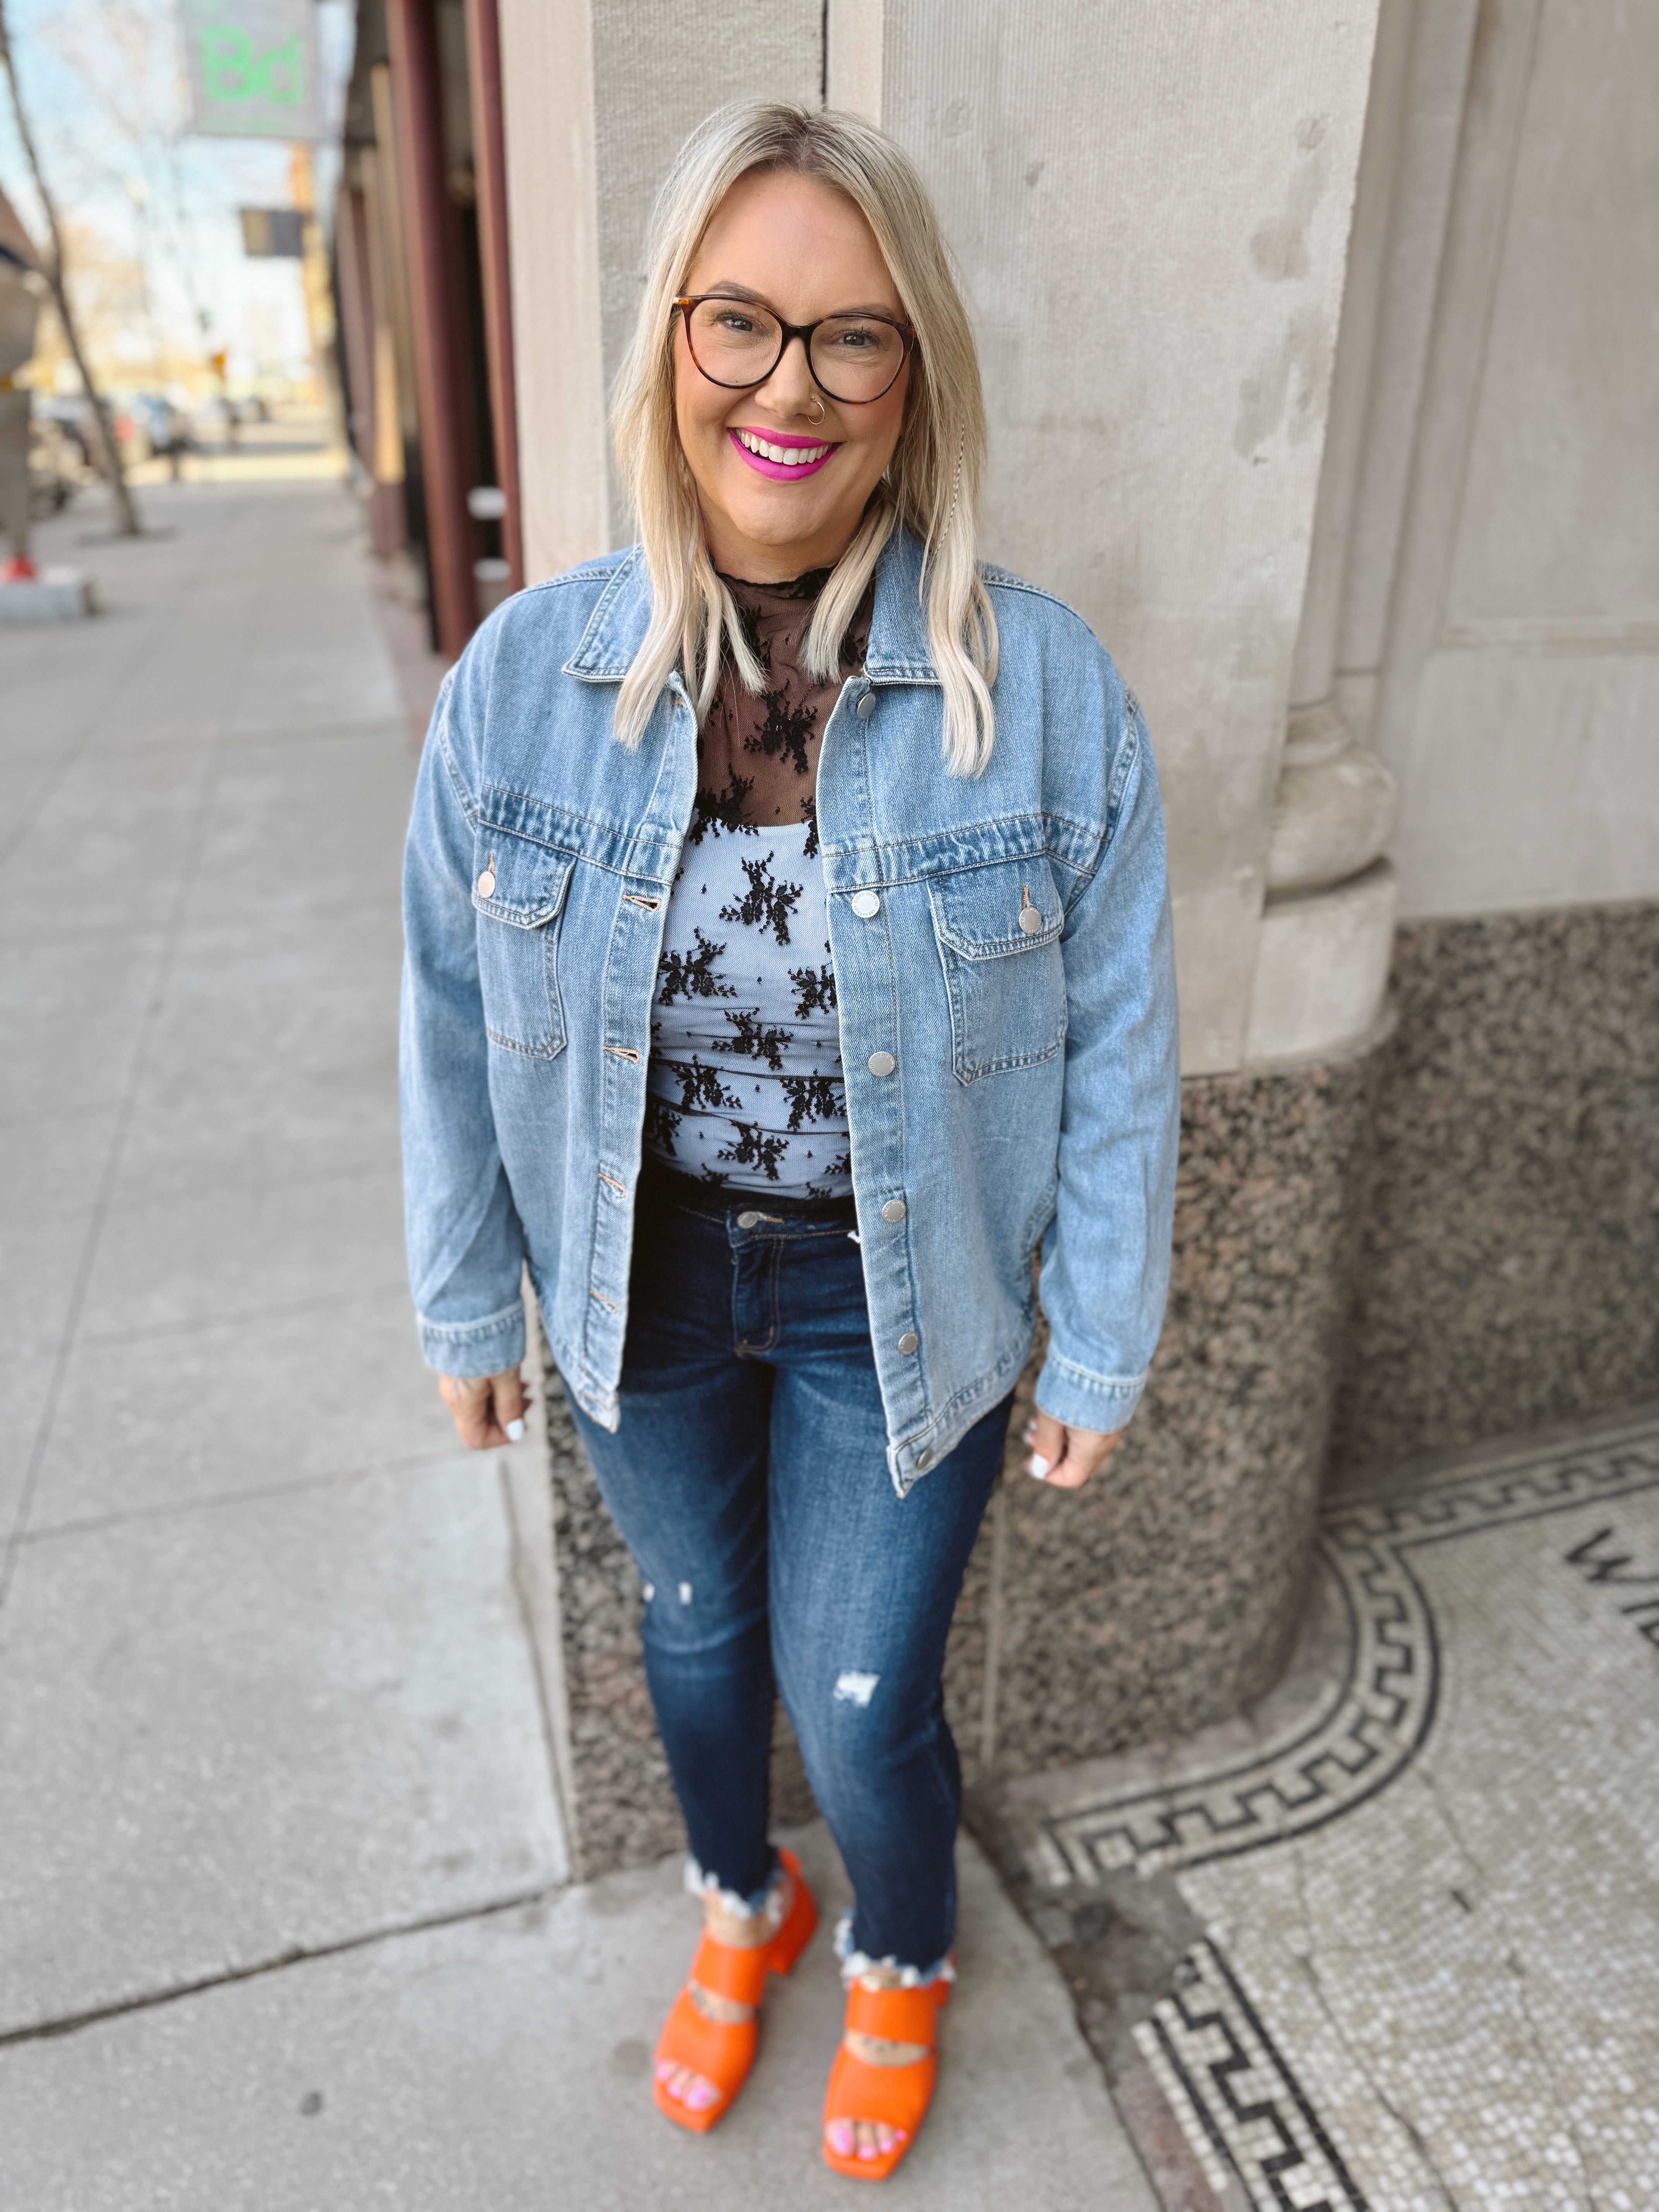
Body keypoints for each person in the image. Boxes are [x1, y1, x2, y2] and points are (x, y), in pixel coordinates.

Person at [401, 101, 1179, 2181]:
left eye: (855, 335)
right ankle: (742, 1905)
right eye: (739, 320)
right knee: (691, 1636)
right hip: (634, 1276)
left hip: (894, 1298)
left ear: (916, 377)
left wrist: (1103, 1333)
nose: (791, 385)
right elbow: (452, 1013)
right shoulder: (521, 687)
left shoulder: (1043, 695)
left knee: (853, 1695)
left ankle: (902, 1950)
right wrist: (468, 1298)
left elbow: (1122, 1039)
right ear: (672, 340)